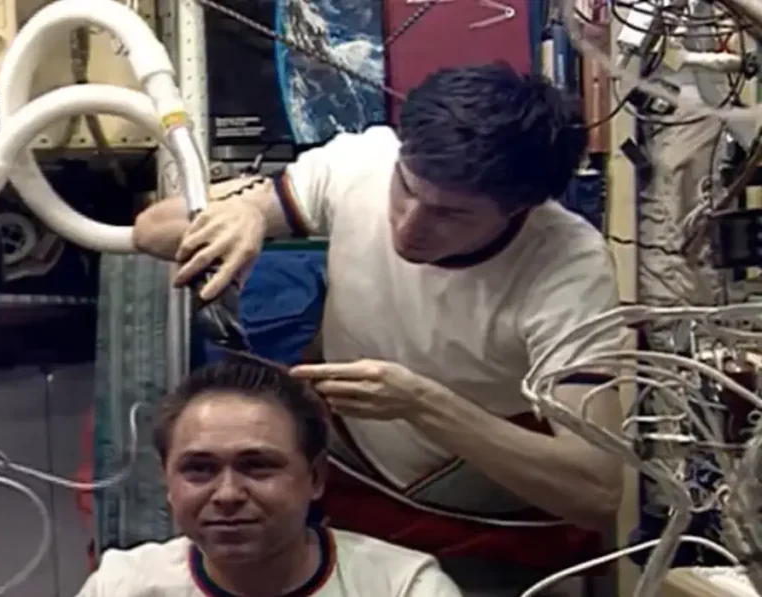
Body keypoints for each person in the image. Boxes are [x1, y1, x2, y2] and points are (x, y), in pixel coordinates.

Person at [131, 63, 624, 595]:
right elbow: (150, 230)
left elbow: (595, 488)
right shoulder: (363, 164)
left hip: (482, 523)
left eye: (451, 215)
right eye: (406, 188)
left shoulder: (567, 268)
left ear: (522, 209)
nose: (409, 225)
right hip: (347, 485)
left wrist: (421, 403)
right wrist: (248, 210)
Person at [77, 359, 463, 597]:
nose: (227, 494)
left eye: (257, 465)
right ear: (167, 482)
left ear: (315, 478)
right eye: (199, 469)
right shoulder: (121, 586)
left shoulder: (401, 586)